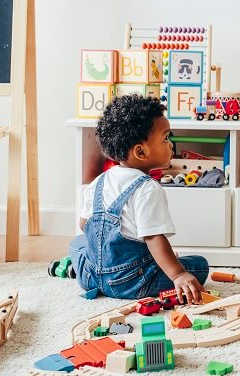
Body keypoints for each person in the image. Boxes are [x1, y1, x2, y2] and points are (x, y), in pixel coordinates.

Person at [69, 94, 209, 301]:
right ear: (141, 152)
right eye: (165, 138)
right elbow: (154, 238)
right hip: (132, 282)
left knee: (78, 243)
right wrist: (178, 274)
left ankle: (78, 270)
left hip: (90, 276)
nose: (171, 144)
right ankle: (171, 271)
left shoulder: (99, 181)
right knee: (198, 265)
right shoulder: (147, 188)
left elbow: (84, 225)